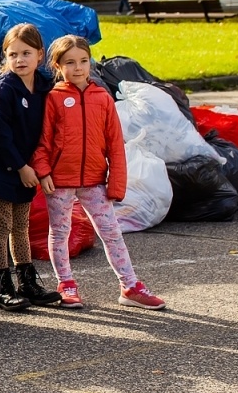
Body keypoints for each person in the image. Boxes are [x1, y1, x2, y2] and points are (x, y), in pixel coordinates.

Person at [32, 35, 166, 310]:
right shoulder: (53, 99)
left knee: (111, 232)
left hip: (95, 180)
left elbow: (115, 144)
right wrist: (44, 172)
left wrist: (116, 184)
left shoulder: (102, 98)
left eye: (83, 61)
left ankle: (130, 286)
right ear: (57, 65)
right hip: (59, 181)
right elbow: (42, 140)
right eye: (70, 62)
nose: (78, 67)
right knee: (60, 233)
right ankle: (66, 284)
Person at [0, 24, 63, 311]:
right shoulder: (4, 88)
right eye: (13, 54)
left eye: (26, 53)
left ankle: (27, 282)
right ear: (5, 57)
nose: (20, 60)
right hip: (0, 166)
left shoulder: (43, 87)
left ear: (40, 54)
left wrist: (36, 165)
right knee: (1, 226)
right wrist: (21, 166)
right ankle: (1, 287)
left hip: (26, 166)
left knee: (21, 226)